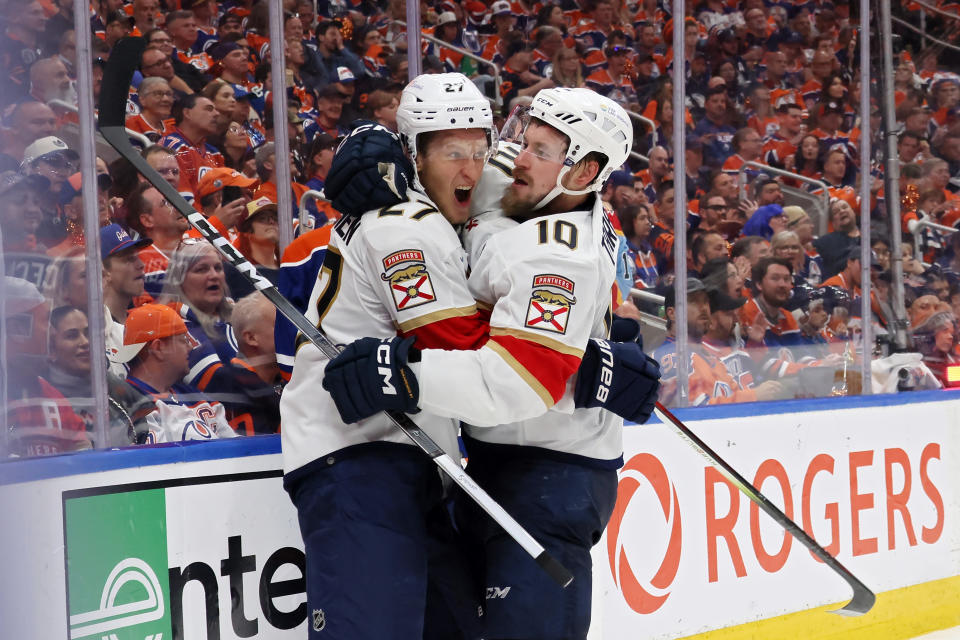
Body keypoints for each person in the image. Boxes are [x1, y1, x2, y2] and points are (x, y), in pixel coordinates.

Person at [320, 84, 659, 640]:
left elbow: (516, 381)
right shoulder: (533, 181)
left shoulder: (560, 256)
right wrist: (372, 143)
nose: (513, 157)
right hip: (493, 466)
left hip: (551, 475)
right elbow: (439, 143)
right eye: (524, 139)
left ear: (582, 171)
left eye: (539, 151)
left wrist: (405, 376)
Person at [108, 302, 237, 443]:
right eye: (184, 340)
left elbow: (238, 449)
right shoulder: (128, 405)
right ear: (158, 348)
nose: (189, 347)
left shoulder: (197, 397)